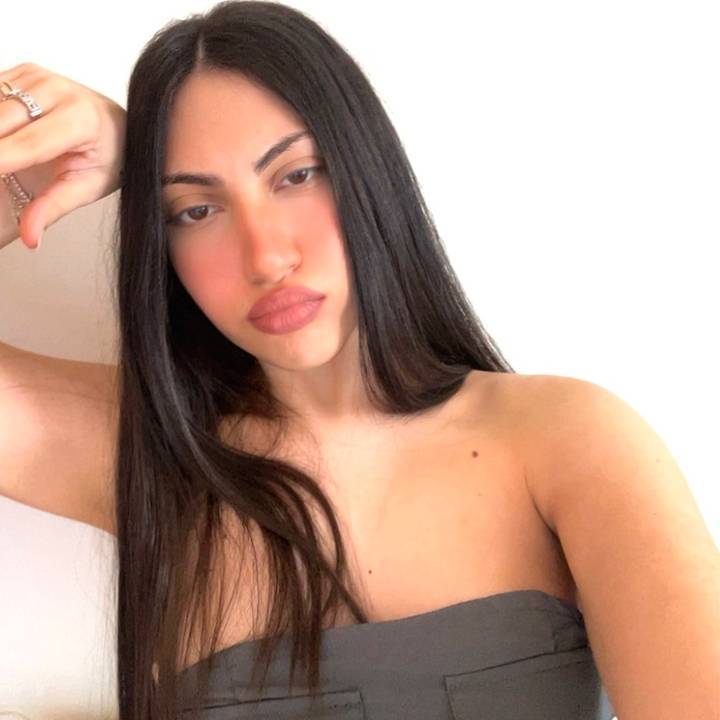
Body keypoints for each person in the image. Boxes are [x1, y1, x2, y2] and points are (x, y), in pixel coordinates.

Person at [1, 2, 717, 720]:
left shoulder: (565, 439)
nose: (266, 257)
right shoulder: (147, 450)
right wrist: (37, 167)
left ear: (368, 170)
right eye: (196, 209)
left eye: (297, 174)